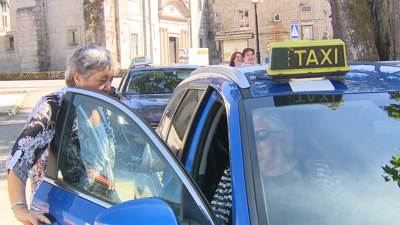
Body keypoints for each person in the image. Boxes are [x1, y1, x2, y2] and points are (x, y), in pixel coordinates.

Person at [5, 45, 173, 225]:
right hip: (64, 210)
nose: (108, 87)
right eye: (102, 80)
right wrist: (20, 208)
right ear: (77, 78)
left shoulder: (100, 107)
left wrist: (155, 165)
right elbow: (19, 158)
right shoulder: (54, 106)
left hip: (100, 205)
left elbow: (113, 158)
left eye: (110, 79)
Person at [210, 111, 358, 225]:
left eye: (260, 134)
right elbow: (214, 219)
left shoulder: (318, 170)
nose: (254, 142)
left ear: (285, 139)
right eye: (250, 136)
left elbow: (351, 214)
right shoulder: (235, 174)